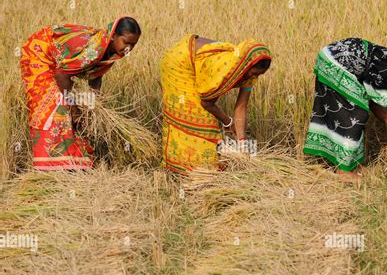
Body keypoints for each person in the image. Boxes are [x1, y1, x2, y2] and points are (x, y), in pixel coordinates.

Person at [303, 38, 387, 179]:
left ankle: (349, 164)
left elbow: (373, 102)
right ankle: (344, 171)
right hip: (338, 64)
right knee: (356, 115)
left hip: (328, 56)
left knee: (345, 110)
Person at [20, 16, 141, 170]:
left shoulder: (110, 52)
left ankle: (72, 163)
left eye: (133, 44)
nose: (128, 48)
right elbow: (61, 75)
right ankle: (49, 165)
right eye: (126, 42)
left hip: (57, 64)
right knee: (54, 105)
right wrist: (74, 108)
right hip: (39, 53)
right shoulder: (94, 49)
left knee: (76, 110)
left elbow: (95, 76)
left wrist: (94, 105)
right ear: (114, 36)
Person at [159, 35, 272, 175]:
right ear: (246, 64)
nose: (253, 77)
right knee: (200, 118)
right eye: (253, 73)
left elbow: (241, 106)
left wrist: (242, 141)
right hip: (179, 62)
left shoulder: (249, 72)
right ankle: (187, 169)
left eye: (259, 75)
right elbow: (206, 103)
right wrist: (227, 121)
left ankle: (202, 169)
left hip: (196, 61)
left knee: (206, 121)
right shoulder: (224, 69)